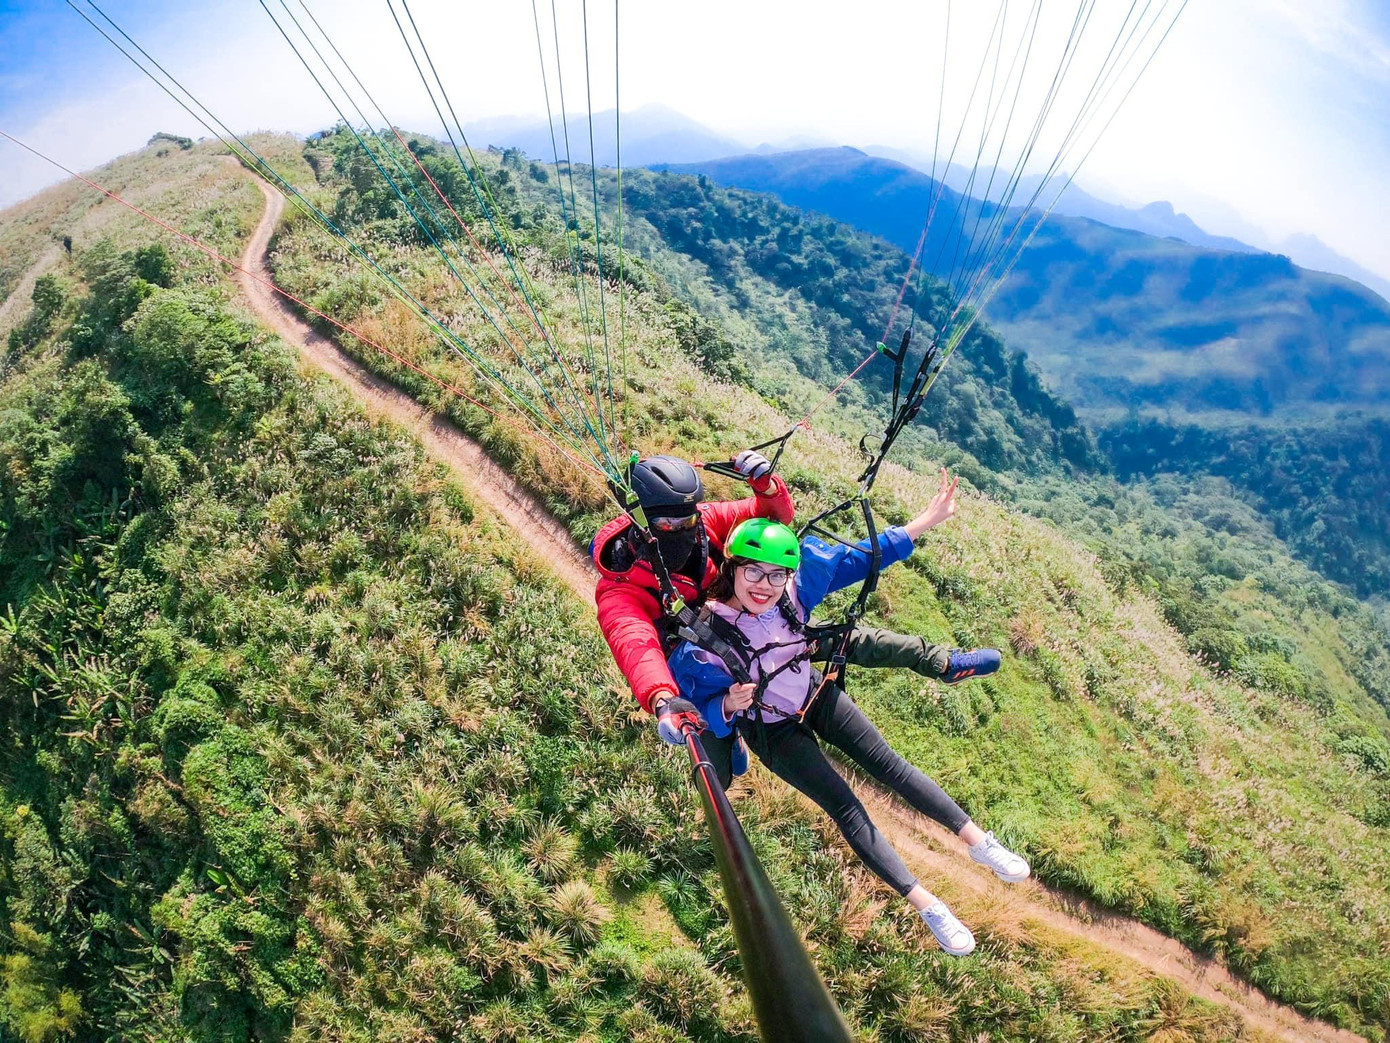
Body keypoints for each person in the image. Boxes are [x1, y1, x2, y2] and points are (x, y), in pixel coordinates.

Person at [666, 470, 1026, 955]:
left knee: (891, 766)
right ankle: (929, 906)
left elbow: (859, 557)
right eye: (754, 571)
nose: (765, 586)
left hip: (815, 695)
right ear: (732, 568)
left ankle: (981, 843)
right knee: (845, 805)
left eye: (776, 575)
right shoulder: (701, 643)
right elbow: (699, 709)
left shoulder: (794, 594)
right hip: (772, 731)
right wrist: (726, 704)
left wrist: (925, 521)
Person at [592, 455, 1001, 782]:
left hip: (755, 626)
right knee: (716, 763)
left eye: (689, 518)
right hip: (701, 668)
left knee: (852, 639)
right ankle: (727, 742)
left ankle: (942, 663)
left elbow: (775, 516)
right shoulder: (620, 588)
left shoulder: (706, 522)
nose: (684, 528)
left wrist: (765, 483)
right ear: (641, 523)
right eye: (669, 523)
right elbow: (635, 643)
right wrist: (664, 698)